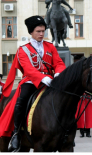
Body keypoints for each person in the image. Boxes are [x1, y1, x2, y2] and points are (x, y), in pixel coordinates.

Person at [0, 15, 66, 152]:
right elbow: (28, 70)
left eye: (43, 31)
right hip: (31, 81)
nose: (42, 34)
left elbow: (58, 63)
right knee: (21, 101)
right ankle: (16, 134)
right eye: (38, 31)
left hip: (50, 80)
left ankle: (65, 132)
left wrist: (59, 73)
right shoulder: (23, 50)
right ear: (31, 32)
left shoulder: (50, 46)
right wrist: (42, 78)